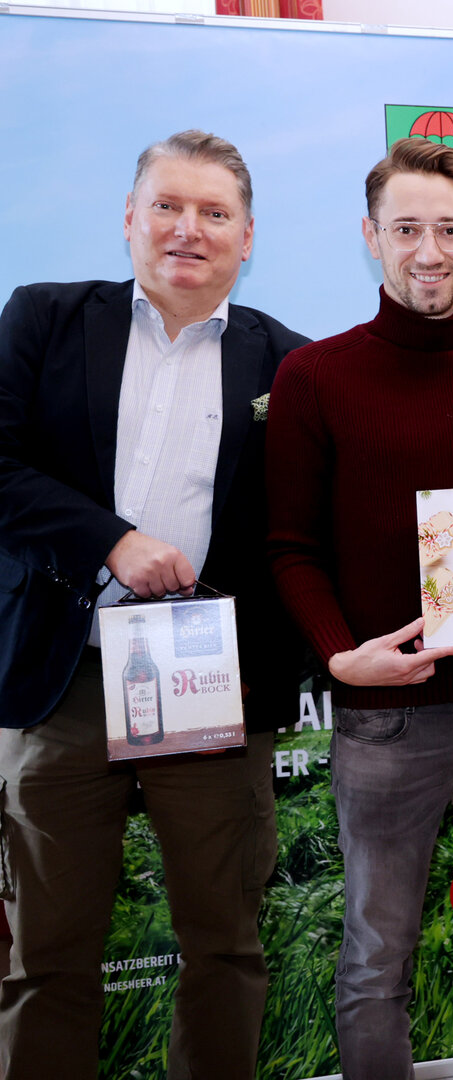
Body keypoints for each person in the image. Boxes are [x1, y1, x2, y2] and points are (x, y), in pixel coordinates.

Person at [0, 130, 307, 1079]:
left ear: (247, 237)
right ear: (130, 219)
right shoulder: (45, 320)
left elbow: (302, 531)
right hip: (65, 677)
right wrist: (112, 540)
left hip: (209, 685)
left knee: (224, 943)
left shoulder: (287, 365)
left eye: (214, 213)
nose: (189, 229)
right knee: (46, 952)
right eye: (168, 206)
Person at [265, 138, 453, 1080]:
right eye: (406, 230)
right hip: (385, 719)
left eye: (447, 229)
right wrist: (339, 656)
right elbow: (291, 548)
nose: (427, 251)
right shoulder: (313, 378)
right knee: (374, 962)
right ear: (371, 238)